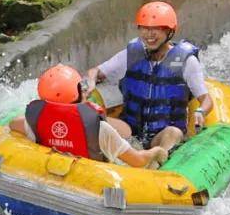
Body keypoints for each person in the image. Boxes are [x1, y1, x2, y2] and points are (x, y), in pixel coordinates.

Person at [86, 1, 211, 151]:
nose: (149, 34)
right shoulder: (132, 54)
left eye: (156, 29)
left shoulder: (186, 61)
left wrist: (200, 112)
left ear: (169, 31)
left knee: (173, 133)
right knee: (95, 121)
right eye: (144, 28)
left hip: (162, 135)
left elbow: (206, 100)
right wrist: (91, 81)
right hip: (130, 131)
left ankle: (159, 163)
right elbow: (95, 72)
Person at [9, 64, 168, 168]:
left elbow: (12, 125)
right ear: (75, 93)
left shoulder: (34, 120)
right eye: (81, 86)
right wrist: (156, 151)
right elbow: (137, 161)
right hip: (94, 183)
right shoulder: (98, 128)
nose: (84, 90)